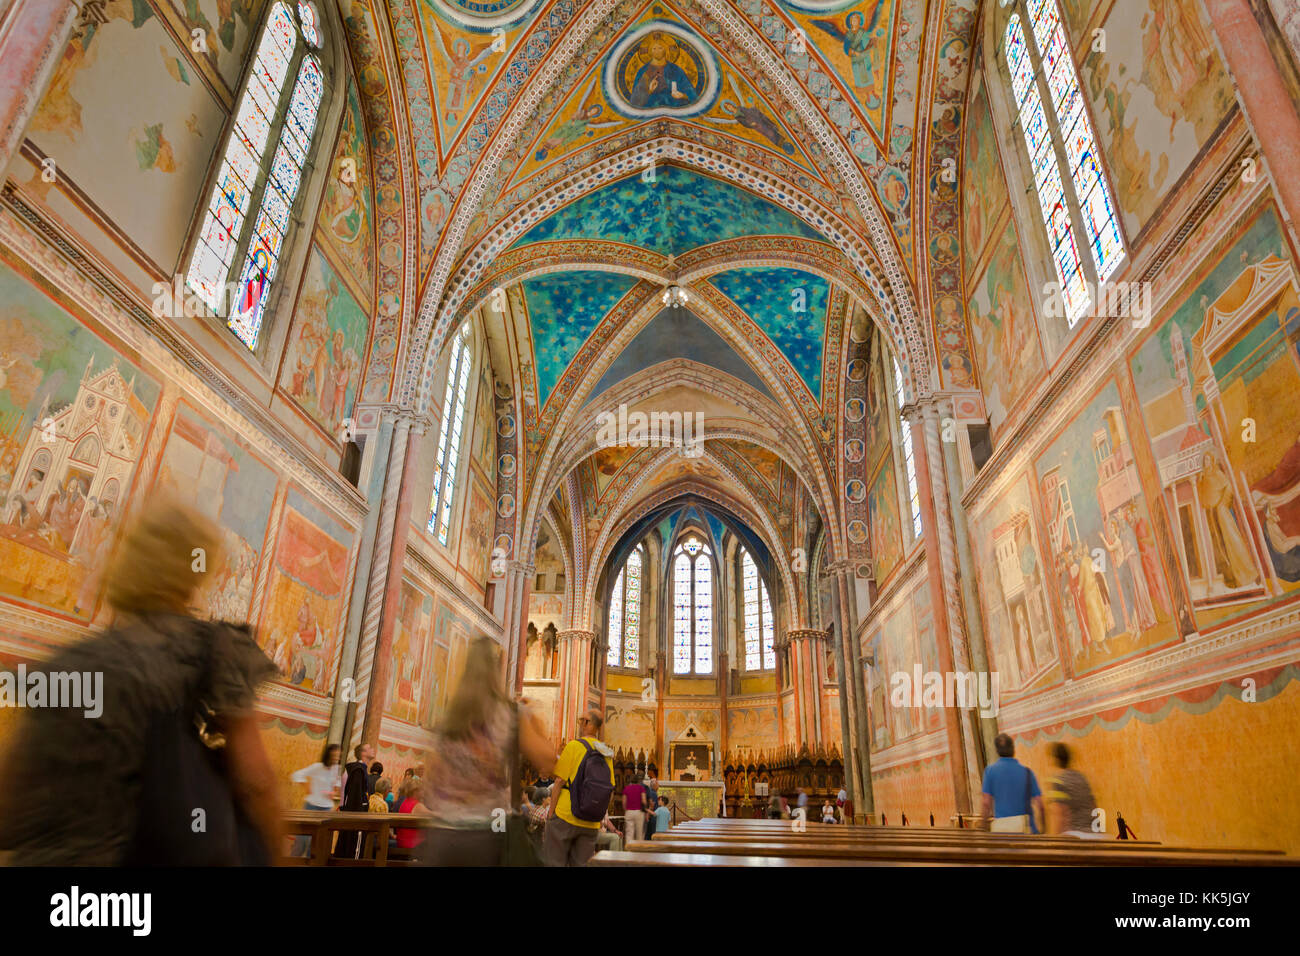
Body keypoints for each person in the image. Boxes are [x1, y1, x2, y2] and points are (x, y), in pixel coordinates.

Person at [0, 499, 282, 865]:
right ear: (193, 572)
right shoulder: (211, 652)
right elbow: (257, 782)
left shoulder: (68, 665)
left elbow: (12, 805)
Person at [424, 636, 555, 866]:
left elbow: (431, 775)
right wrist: (532, 718)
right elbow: (549, 761)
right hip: (482, 835)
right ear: (497, 671)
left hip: (441, 835)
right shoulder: (508, 713)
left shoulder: (450, 716)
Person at [544, 709, 615, 866]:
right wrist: (598, 814)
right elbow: (610, 792)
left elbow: (559, 782)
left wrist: (551, 814)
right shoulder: (606, 753)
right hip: (591, 822)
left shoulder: (574, 746)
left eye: (582, 720)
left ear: (588, 723)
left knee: (554, 863)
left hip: (565, 816)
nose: (580, 724)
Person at [980, 733, 1043, 833]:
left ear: (997, 751)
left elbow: (986, 803)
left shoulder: (990, 771)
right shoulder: (1028, 772)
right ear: (1013, 749)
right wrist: (1043, 827)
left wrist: (982, 826)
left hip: (1003, 832)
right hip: (1027, 831)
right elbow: (1039, 803)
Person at [291, 743, 344, 858]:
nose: (336, 758)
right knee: (302, 839)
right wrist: (306, 786)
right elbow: (297, 775)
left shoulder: (337, 769)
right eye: (334, 755)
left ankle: (311, 862)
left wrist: (333, 793)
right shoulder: (317, 767)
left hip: (326, 808)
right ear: (328, 755)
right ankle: (292, 861)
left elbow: (336, 787)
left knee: (317, 841)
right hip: (311, 805)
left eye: (338, 756)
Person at [1043, 743, 1104, 839]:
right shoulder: (1081, 777)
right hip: (1094, 833)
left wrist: (1057, 841)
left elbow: (1061, 814)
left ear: (1055, 759)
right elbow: (1094, 807)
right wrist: (1100, 831)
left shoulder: (1058, 781)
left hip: (1076, 835)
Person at [336, 742, 376, 859]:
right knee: (354, 850)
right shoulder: (358, 771)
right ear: (363, 753)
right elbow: (355, 797)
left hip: (352, 814)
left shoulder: (359, 769)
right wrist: (360, 818)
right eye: (370, 748)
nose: (373, 749)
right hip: (356, 816)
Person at [393, 777, 430, 857]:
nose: (424, 792)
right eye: (422, 790)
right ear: (415, 791)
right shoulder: (417, 806)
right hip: (413, 844)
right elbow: (434, 817)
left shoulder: (404, 802)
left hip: (401, 841)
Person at [622, 773, 648, 843]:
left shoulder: (626, 788)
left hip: (629, 812)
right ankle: (638, 851)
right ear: (638, 781)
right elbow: (644, 801)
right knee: (639, 833)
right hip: (639, 812)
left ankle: (629, 851)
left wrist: (626, 810)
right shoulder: (641, 788)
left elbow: (624, 802)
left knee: (629, 834)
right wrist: (645, 810)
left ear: (631, 780)